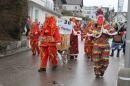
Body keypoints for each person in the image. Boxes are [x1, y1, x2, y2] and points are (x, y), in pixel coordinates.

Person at [87, 8, 117, 78]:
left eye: (101, 16)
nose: (100, 18)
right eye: (98, 17)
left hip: (105, 45)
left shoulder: (107, 25)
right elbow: (90, 36)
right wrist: (93, 35)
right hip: (96, 45)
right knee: (96, 60)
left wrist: (107, 32)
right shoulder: (94, 26)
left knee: (105, 60)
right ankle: (97, 72)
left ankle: (102, 71)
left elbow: (112, 34)